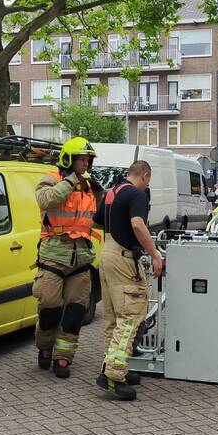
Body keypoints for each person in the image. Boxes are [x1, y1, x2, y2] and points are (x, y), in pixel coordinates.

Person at [93, 160, 164, 401]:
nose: (147, 186)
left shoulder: (113, 191)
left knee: (113, 316)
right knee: (131, 315)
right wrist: (155, 255)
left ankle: (113, 365)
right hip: (123, 257)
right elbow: (137, 224)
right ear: (145, 175)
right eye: (148, 181)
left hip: (107, 252)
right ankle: (113, 376)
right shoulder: (136, 194)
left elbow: (97, 220)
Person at [32, 137, 102, 378]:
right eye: (81, 159)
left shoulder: (91, 187)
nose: (85, 164)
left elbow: (98, 217)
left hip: (81, 259)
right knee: (49, 310)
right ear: (68, 160)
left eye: (88, 160)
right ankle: (45, 348)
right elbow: (46, 200)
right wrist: (72, 180)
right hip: (53, 258)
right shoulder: (52, 179)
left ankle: (63, 359)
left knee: (74, 314)